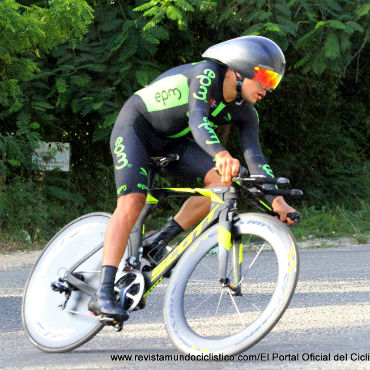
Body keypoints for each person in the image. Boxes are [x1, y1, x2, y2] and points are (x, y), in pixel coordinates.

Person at [88, 35, 299, 320]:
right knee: (132, 201)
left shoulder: (246, 111)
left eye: (274, 82)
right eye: (264, 77)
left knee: (223, 183)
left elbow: (256, 158)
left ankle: (160, 239)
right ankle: (102, 293)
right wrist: (221, 153)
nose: (267, 88)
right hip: (136, 128)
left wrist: (277, 200)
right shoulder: (206, 73)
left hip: (172, 141)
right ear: (239, 68)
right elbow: (197, 119)